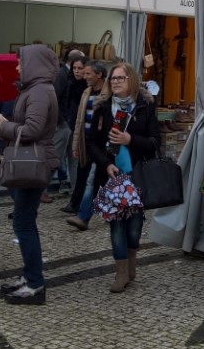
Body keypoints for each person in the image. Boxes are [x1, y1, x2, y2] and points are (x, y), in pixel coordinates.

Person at [0, 43, 60, 305]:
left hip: (34, 163)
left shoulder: (41, 91)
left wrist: (3, 127)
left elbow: (32, 129)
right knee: (24, 221)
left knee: (23, 223)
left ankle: (35, 284)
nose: (18, 67)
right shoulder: (35, 89)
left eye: (21, 62)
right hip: (30, 161)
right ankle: (30, 276)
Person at [87, 60, 160, 293]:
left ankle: (131, 263)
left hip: (137, 176)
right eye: (113, 78)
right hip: (112, 177)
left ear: (132, 80)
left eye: (121, 78)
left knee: (134, 228)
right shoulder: (102, 107)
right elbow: (92, 143)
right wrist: (106, 164)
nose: (116, 82)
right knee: (116, 226)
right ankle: (120, 272)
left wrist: (131, 140)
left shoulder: (145, 107)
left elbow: (154, 143)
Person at [66, 60, 108, 229]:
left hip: (103, 145)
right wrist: (76, 145)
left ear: (99, 75)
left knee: (94, 180)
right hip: (86, 142)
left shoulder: (109, 93)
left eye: (88, 73)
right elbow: (79, 121)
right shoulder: (86, 92)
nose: (84, 76)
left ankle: (83, 216)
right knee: (93, 178)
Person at [52, 50, 87, 202]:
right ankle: (41, 189)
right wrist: (62, 120)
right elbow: (57, 99)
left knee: (74, 159)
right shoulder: (64, 77)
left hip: (74, 125)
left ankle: (76, 195)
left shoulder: (81, 84)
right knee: (57, 157)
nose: (77, 71)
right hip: (66, 124)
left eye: (80, 68)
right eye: (75, 68)